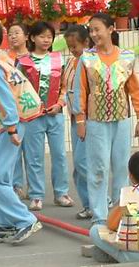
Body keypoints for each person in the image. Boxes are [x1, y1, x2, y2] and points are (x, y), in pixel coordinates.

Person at [0, 21, 44, 246]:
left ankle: (25, 220)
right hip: (6, 125)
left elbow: (5, 98)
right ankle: (6, 224)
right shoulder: (3, 60)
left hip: (5, 126)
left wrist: (12, 127)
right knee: (2, 177)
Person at [74, 13, 139, 225]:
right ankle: (99, 215)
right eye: (91, 30)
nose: (94, 34)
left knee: (121, 167)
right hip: (96, 122)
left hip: (121, 120)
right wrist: (80, 121)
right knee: (98, 169)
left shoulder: (127, 57)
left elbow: (134, 89)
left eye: (97, 29)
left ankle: (119, 213)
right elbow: (80, 91)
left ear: (111, 29)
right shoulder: (86, 59)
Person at [17, 21, 72, 210]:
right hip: (33, 117)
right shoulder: (23, 62)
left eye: (49, 36)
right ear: (32, 38)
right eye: (42, 36)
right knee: (34, 157)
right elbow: (18, 89)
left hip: (55, 114)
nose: (46, 40)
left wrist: (60, 104)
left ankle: (61, 193)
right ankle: (36, 195)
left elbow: (65, 86)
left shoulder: (58, 59)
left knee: (60, 155)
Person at [61, 24, 92, 220]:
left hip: (87, 118)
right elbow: (65, 88)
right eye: (69, 47)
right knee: (79, 167)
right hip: (74, 117)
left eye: (75, 46)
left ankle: (100, 201)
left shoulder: (90, 62)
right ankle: (89, 204)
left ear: (86, 42)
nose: (72, 50)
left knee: (84, 163)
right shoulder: (71, 62)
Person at [6, 22, 30, 198]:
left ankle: (35, 190)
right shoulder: (4, 59)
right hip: (13, 109)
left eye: (16, 33)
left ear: (27, 37)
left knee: (32, 153)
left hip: (30, 109)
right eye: (10, 34)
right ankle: (16, 185)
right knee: (13, 151)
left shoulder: (33, 58)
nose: (13, 36)